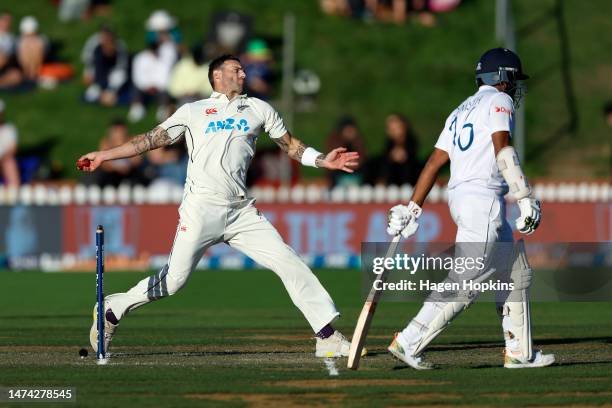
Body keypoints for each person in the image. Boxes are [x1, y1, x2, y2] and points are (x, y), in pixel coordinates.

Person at [78, 54, 361, 358]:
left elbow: (290, 145)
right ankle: (111, 309)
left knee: (288, 261)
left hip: (241, 211)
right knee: (173, 282)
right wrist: (105, 156)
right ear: (217, 76)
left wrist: (321, 159)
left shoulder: (259, 108)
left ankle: (327, 336)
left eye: (243, 69)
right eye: (236, 70)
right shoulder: (193, 111)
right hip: (201, 208)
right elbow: (149, 140)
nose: (243, 74)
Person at [385, 48, 554, 369]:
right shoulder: (499, 101)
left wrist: (413, 207)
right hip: (482, 200)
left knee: (515, 271)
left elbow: (435, 162)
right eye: (513, 79)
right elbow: (503, 150)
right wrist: (524, 196)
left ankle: (519, 352)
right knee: (468, 278)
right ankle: (409, 339)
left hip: (462, 197)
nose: (516, 86)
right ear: (503, 77)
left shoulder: (460, 110)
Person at [81, 26, 129, 106]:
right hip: (98, 73)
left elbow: (121, 69)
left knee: (119, 77)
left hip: (113, 73)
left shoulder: (120, 46)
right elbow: (88, 62)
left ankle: (110, 94)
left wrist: (111, 90)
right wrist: (88, 75)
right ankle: (101, 94)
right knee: (91, 94)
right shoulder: (94, 43)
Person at [370, 113, 421, 186]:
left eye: (396, 127)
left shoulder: (411, 145)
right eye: (390, 128)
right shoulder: (388, 148)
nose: (393, 131)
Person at [0, 99, 20, 187]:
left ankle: (14, 190)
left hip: (4, 159)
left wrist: (2, 157)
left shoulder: (9, 129)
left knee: (9, 162)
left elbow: (13, 149)